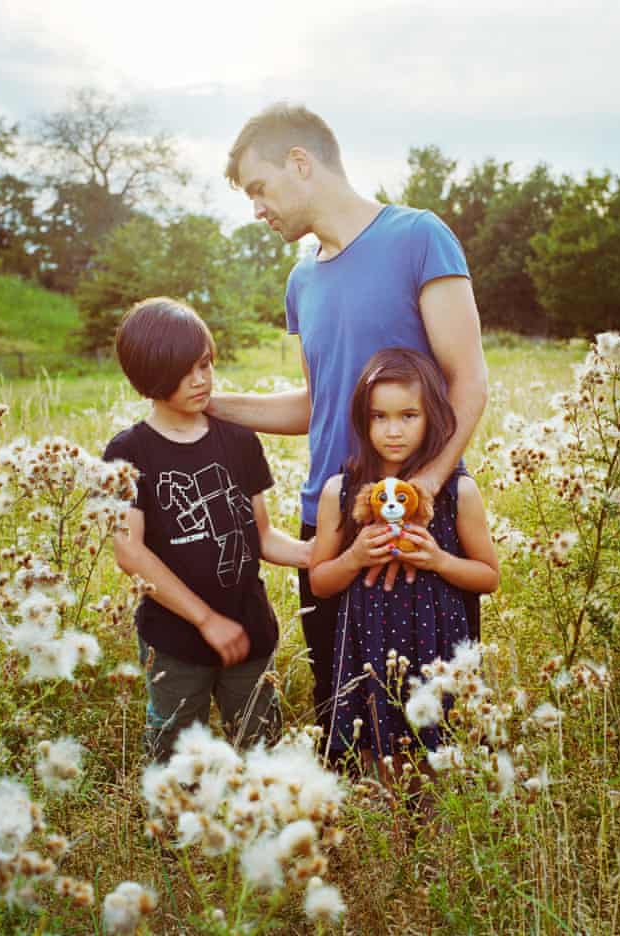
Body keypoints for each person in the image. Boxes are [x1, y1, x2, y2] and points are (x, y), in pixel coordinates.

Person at [211, 102, 489, 738]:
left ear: (301, 162)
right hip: (330, 521)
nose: (257, 208)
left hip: (419, 517)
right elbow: (316, 407)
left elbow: (469, 381)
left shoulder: (420, 237)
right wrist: (212, 403)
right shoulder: (300, 279)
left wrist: (429, 491)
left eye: (260, 187)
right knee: (346, 715)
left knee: (431, 722)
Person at [103, 297, 311, 761]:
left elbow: (262, 535)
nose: (200, 380)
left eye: (204, 364)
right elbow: (129, 553)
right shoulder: (128, 452)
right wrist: (205, 620)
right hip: (174, 641)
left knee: (261, 746)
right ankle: (174, 831)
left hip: (248, 626)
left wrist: (313, 554)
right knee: (176, 751)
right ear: (149, 375)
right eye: (183, 370)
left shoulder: (238, 440)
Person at [308, 348, 499, 767]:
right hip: (368, 650)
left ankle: (436, 833)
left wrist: (438, 560)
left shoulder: (456, 493)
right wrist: (354, 557)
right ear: (363, 419)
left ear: (433, 416)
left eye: (408, 416)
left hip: (438, 647)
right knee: (379, 759)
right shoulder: (341, 491)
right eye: (379, 417)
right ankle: (391, 833)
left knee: (439, 763)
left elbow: (489, 576)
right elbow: (319, 582)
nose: (393, 431)